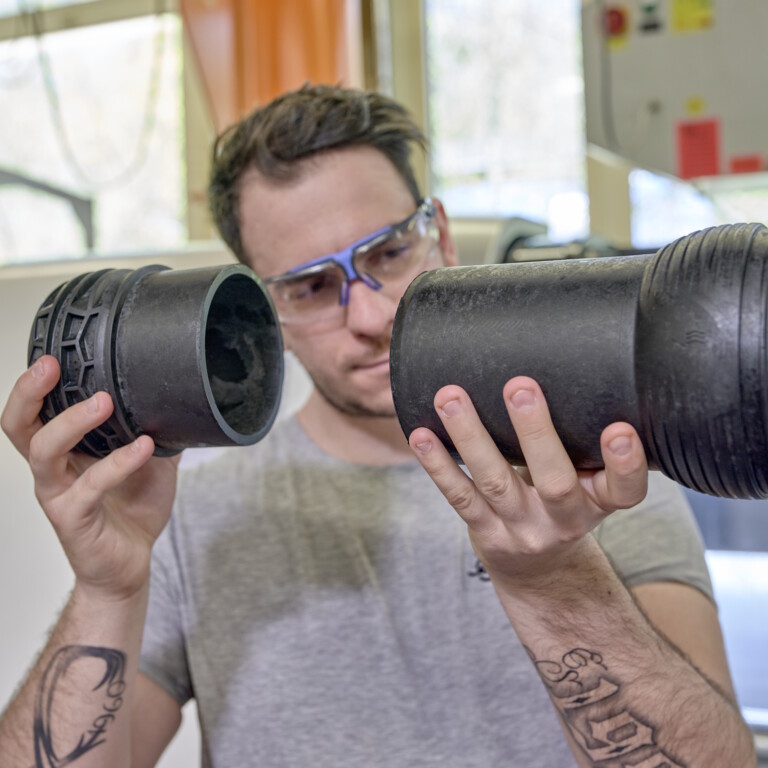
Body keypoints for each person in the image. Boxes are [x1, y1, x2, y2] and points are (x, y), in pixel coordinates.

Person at [0, 84, 756, 768]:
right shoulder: (193, 513)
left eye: (390, 252)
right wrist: (105, 589)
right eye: (310, 286)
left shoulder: (591, 474)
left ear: (442, 237)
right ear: (266, 312)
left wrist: (556, 579)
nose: (368, 316)